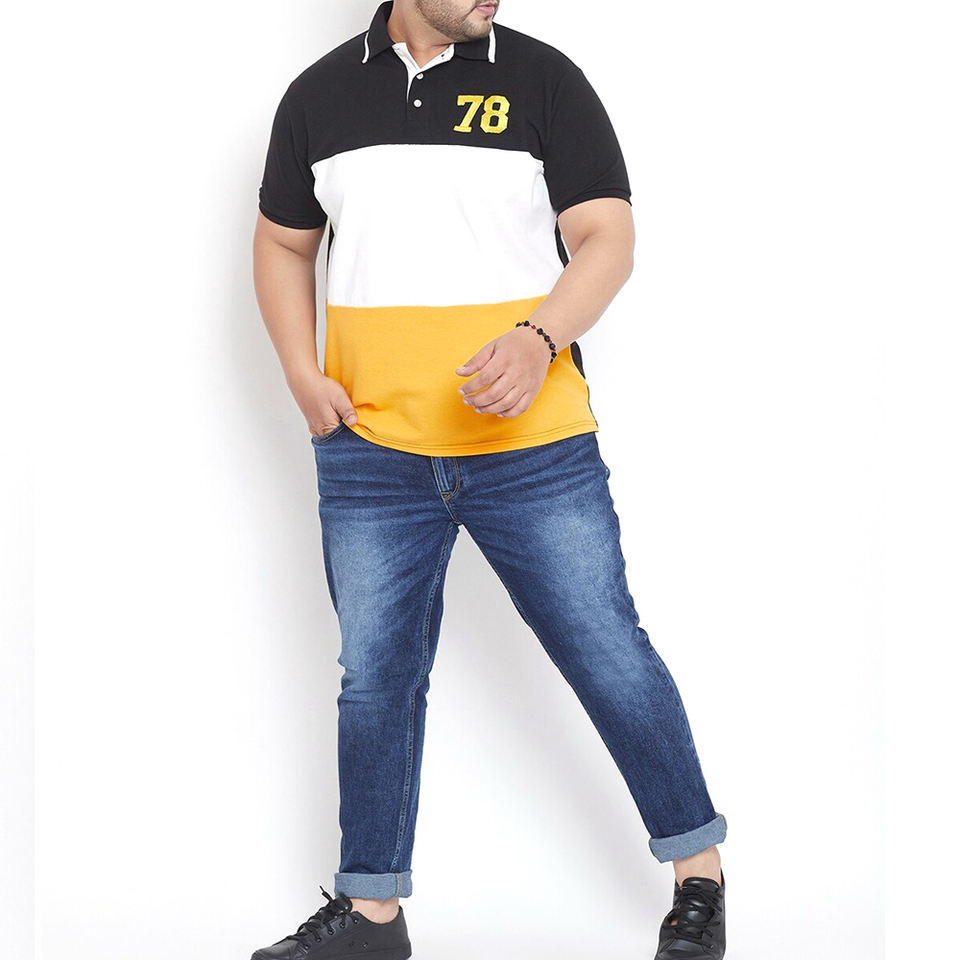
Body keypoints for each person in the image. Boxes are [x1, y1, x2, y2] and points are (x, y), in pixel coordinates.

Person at [251, 3, 728, 958]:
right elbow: (284, 242)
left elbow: (607, 237)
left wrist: (540, 337)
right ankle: (372, 916)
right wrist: (301, 371)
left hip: (532, 448)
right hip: (371, 448)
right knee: (376, 680)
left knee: (607, 651)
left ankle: (699, 881)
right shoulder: (318, 96)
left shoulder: (545, 79)